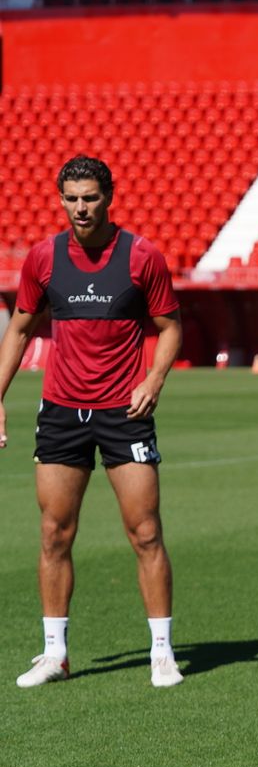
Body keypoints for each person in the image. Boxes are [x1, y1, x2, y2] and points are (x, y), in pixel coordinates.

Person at [0, 155, 185, 688]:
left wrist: (153, 381)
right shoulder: (43, 259)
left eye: (90, 198)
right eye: (72, 198)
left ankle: (162, 654)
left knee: (145, 531)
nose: (81, 208)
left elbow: (170, 327)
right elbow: (18, 329)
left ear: (109, 198)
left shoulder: (141, 256)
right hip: (61, 411)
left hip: (124, 414)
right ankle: (54, 653)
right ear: (61, 199)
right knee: (55, 532)